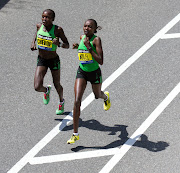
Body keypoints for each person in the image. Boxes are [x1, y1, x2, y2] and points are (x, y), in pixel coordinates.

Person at [67, 19, 111, 144]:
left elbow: (100, 60)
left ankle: (105, 97)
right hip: (82, 72)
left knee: (97, 95)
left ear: (95, 29)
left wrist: (88, 47)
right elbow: (83, 53)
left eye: (90, 27)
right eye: (85, 26)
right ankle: (75, 134)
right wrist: (78, 47)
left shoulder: (96, 40)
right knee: (76, 101)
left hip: (95, 73)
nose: (87, 28)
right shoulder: (82, 37)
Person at [31, 9, 69, 115]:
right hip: (42, 60)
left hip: (53, 60)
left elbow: (67, 45)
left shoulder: (58, 30)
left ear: (52, 19)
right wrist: (33, 42)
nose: (44, 19)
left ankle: (61, 101)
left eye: (47, 17)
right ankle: (46, 90)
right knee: (37, 87)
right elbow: (36, 34)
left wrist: (59, 44)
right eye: (43, 16)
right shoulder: (39, 26)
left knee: (57, 84)